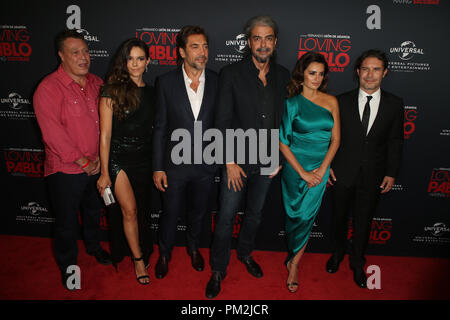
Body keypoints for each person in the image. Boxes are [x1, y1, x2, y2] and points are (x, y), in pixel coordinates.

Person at [205, 15, 290, 299]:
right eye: (257, 38)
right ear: (249, 42)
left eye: (268, 38)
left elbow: (285, 120)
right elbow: (222, 120)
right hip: (236, 161)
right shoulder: (231, 73)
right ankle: (218, 268)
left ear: (275, 42)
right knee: (227, 217)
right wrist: (228, 161)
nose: (263, 44)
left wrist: (279, 155)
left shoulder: (283, 75)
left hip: (267, 160)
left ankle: (245, 254)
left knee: (254, 215)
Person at [33, 29, 111, 290]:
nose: (83, 57)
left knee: (92, 212)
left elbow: (106, 126)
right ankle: (68, 266)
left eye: (86, 51)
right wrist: (83, 162)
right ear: (61, 56)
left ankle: (93, 247)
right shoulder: (48, 89)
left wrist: (99, 162)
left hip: (96, 166)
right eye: (75, 52)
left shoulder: (98, 83)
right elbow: (53, 134)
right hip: (66, 171)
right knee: (66, 223)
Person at [326, 49, 404, 288]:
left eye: (376, 69)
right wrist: (327, 165)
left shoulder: (395, 104)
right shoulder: (339, 101)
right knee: (339, 218)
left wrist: (391, 172)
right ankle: (338, 252)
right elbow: (329, 137)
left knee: (364, 221)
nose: (370, 75)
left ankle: (358, 262)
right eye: (366, 69)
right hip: (342, 172)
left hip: (374, 175)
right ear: (358, 72)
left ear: (385, 72)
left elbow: (395, 140)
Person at [152, 26, 218, 279]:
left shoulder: (217, 80)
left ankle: (193, 248)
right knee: (170, 213)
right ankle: (165, 253)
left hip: (205, 166)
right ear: (181, 51)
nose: (202, 52)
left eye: (205, 46)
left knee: (199, 212)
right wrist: (158, 167)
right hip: (174, 166)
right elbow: (160, 128)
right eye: (195, 46)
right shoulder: (165, 82)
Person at [279, 52, 340, 293]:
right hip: (296, 169)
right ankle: (293, 257)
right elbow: (283, 142)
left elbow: (335, 140)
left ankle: (294, 264)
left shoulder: (331, 101)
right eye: (311, 73)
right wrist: (303, 173)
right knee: (295, 217)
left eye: (320, 73)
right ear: (302, 74)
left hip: (321, 167)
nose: (316, 78)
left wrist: (323, 170)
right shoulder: (291, 103)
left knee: (307, 218)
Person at [96, 38, 155, 285]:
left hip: (145, 160)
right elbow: (105, 134)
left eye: (140, 58)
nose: (135, 64)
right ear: (124, 61)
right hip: (119, 160)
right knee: (129, 211)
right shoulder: (111, 91)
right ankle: (138, 260)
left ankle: (140, 248)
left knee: (141, 211)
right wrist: (104, 173)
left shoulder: (152, 92)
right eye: (130, 58)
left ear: (148, 62)